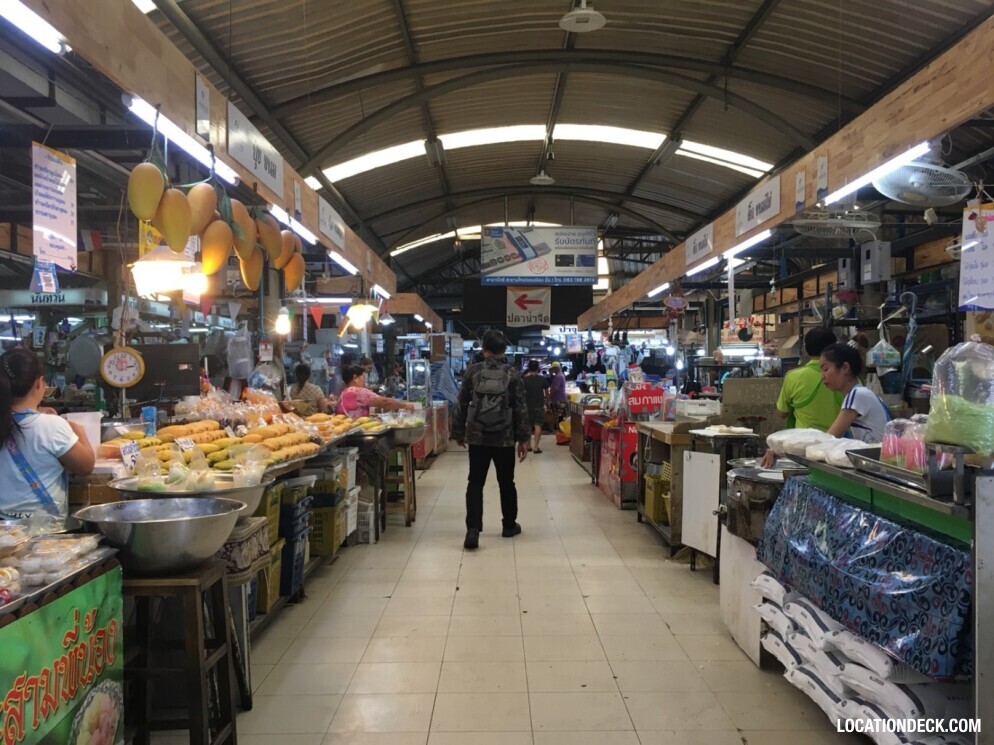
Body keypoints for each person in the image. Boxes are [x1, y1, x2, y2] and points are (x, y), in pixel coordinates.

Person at [452, 330, 530, 550]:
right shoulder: (512, 373)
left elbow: (462, 404)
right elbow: (520, 408)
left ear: (483, 348)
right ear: (503, 349)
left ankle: (473, 530)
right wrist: (523, 439)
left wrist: (458, 432)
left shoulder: (473, 372)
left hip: (477, 436)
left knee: (475, 482)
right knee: (507, 483)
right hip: (504, 438)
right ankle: (509, 525)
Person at [0, 348, 95, 524]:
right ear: (39, 384)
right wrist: (76, 428)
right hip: (44, 533)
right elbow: (86, 466)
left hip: (4, 531)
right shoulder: (52, 426)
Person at [761, 328, 843, 467]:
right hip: (840, 451)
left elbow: (782, 412)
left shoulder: (794, 377)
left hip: (803, 450)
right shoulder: (848, 378)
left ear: (806, 349)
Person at [820, 342, 891, 443]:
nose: (822, 376)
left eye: (825, 369)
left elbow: (830, 438)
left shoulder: (857, 395)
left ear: (845, 367)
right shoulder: (862, 392)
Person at [337, 364, 416, 418]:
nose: (364, 381)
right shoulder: (356, 391)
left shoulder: (344, 393)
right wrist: (405, 405)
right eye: (363, 378)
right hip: (356, 435)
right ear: (355, 378)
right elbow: (385, 402)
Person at [522, 360, 550, 454]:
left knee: (528, 426)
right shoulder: (542, 379)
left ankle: (529, 446)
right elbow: (547, 392)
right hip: (539, 405)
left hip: (527, 406)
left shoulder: (524, 380)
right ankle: (536, 447)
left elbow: (521, 393)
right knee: (537, 425)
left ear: (528, 368)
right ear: (538, 368)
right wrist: (547, 402)